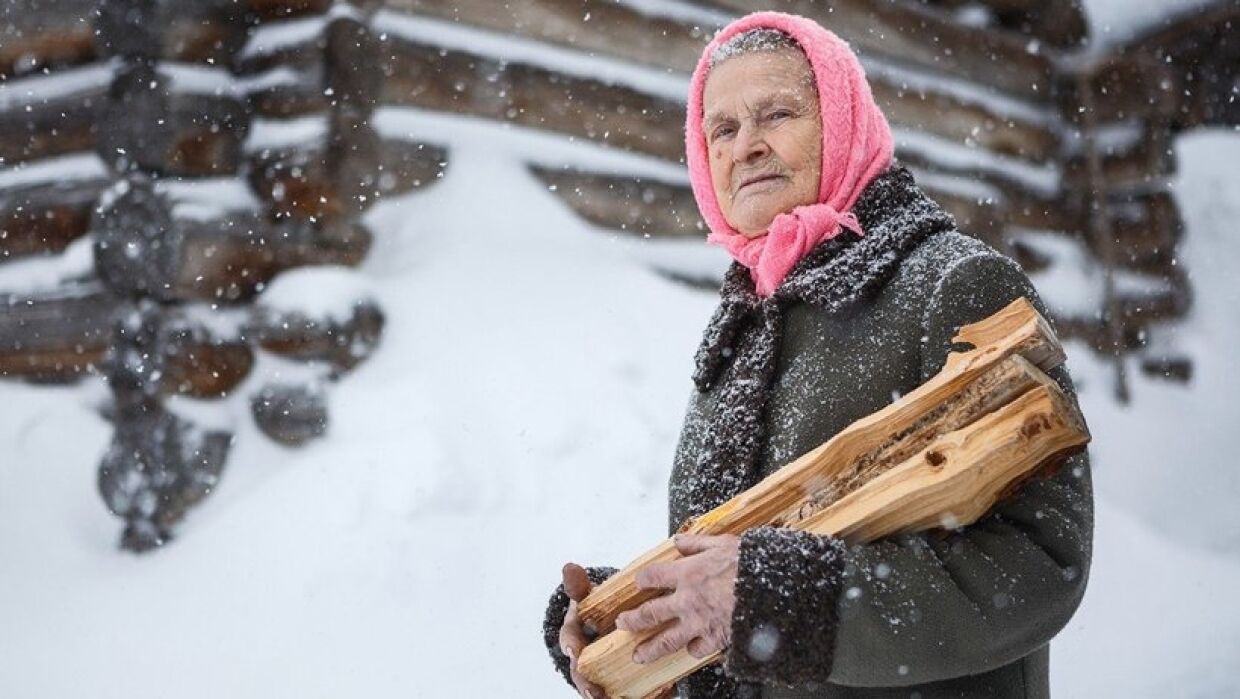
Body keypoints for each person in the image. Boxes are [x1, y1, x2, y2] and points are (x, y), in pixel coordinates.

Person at [543, 11, 1093, 699]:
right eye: (722, 128)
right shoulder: (743, 328)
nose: (746, 146)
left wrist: (778, 601)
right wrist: (632, 618)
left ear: (842, 119)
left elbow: (1041, 563)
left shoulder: (953, 285)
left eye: (776, 113)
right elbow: (744, 578)